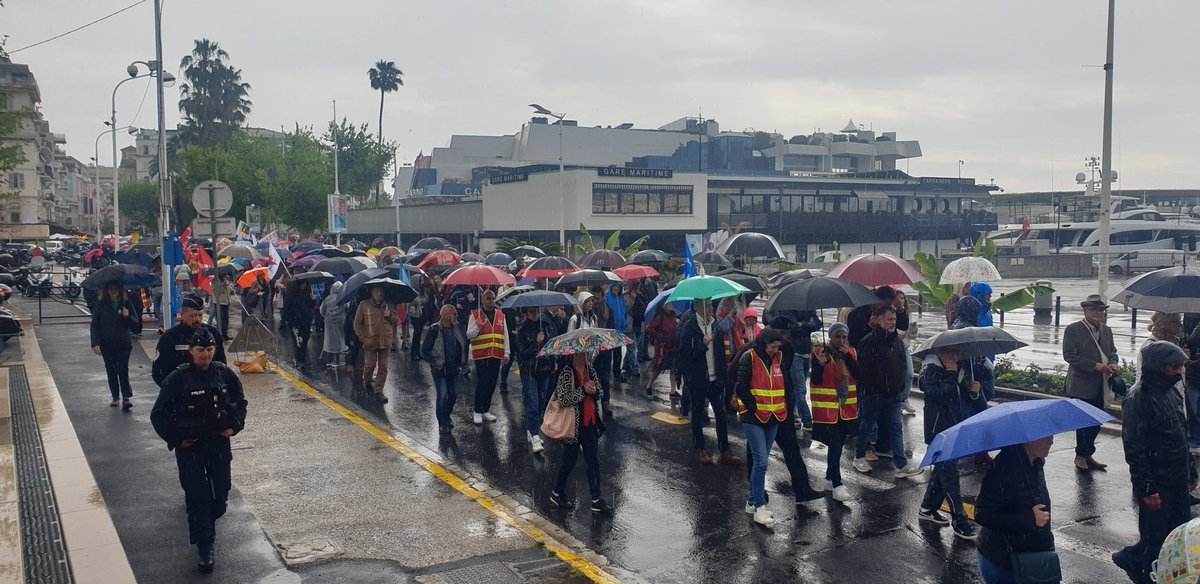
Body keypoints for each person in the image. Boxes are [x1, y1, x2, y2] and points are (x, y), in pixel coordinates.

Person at [149, 327, 247, 573]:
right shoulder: (178, 378)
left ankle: (206, 524)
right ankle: (205, 546)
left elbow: (240, 403)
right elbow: (158, 414)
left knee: (221, 495)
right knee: (197, 497)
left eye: (209, 350)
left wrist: (235, 427)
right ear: (191, 351)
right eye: (200, 350)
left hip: (218, 445)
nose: (205, 355)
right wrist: (175, 439)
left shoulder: (224, 374)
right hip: (190, 448)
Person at [1113, 341, 1195, 584]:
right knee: (1155, 539)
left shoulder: (1170, 392)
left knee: (1178, 536)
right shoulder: (1138, 398)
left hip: (1177, 478)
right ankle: (1143, 571)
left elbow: (1181, 434)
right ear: (1158, 367)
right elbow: (1134, 448)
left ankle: (1166, 573)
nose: (1179, 372)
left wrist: (1190, 471)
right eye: (1174, 367)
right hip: (1158, 482)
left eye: (1181, 366)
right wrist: (1147, 487)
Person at [916, 345, 980, 540]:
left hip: (955, 427)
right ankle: (959, 520)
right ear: (940, 353)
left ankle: (927, 508)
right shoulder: (930, 371)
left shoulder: (961, 369)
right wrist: (951, 375)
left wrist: (973, 391)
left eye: (957, 352)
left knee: (942, 471)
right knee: (950, 477)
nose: (954, 356)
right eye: (949, 352)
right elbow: (941, 395)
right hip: (938, 431)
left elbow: (964, 399)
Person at [852, 305, 923, 478]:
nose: (892, 323)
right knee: (867, 426)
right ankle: (859, 456)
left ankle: (901, 464)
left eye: (894, 320)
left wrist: (899, 387)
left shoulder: (896, 341)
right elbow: (863, 371)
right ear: (878, 320)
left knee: (896, 427)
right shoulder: (868, 342)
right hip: (873, 395)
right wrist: (873, 389)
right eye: (889, 319)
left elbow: (901, 365)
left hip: (894, 395)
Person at [974, 436, 1056, 584]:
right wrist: (1029, 519)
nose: (1051, 442)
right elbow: (983, 514)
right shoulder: (1005, 468)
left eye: (1051, 436)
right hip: (1003, 562)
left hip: (1031, 557)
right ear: (1027, 439)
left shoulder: (1035, 463)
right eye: (1045, 437)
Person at [733, 328, 790, 526]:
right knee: (760, 461)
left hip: (773, 416)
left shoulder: (777, 358)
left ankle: (751, 501)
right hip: (753, 417)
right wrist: (752, 406)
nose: (775, 350)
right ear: (764, 343)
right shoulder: (749, 357)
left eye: (777, 347)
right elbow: (740, 385)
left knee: (762, 460)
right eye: (772, 347)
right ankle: (759, 505)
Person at [549, 350, 613, 515]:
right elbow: (563, 399)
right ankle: (557, 493)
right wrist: (583, 391)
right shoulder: (566, 373)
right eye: (584, 353)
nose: (588, 355)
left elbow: (600, 391)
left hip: (590, 423)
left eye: (588, 353)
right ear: (575, 354)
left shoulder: (590, 369)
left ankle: (596, 499)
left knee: (593, 462)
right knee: (568, 462)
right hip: (573, 426)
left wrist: (594, 391)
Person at [1062, 294, 1119, 471]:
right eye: (1094, 309)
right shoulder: (1073, 329)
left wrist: (1114, 363)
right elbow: (1070, 356)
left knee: (1096, 422)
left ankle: (1088, 454)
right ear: (1085, 311)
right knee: (1083, 422)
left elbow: (1113, 352)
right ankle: (1080, 455)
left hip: (1101, 385)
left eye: (1101, 310)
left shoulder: (1107, 330)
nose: (1098, 313)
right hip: (1081, 385)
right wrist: (1094, 366)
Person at [679, 299, 739, 465]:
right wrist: (701, 344)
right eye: (708, 306)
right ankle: (699, 449)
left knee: (720, 414)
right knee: (697, 415)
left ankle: (724, 450)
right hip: (698, 379)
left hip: (715, 378)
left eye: (711, 306)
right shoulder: (689, 326)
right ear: (699, 308)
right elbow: (685, 353)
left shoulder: (715, 325)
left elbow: (720, 349)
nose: (711, 308)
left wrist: (723, 375)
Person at [810, 323, 859, 502]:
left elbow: (858, 375)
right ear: (831, 337)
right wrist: (821, 365)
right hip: (828, 409)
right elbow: (815, 379)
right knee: (836, 444)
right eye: (838, 337)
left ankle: (829, 478)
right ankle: (838, 484)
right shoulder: (819, 354)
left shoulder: (851, 353)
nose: (841, 340)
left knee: (837, 445)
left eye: (844, 337)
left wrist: (848, 358)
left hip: (846, 408)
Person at [153, 294, 227, 387]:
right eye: (192, 315)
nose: (196, 319)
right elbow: (158, 371)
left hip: (208, 387)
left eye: (200, 315)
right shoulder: (170, 337)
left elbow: (222, 364)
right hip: (180, 389)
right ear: (182, 314)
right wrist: (169, 389)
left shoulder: (213, 334)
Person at [90, 282, 143, 409]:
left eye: (116, 290)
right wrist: (94, 342)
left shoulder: (126, 303)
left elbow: (136, 326)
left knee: (122, 370)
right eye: (111, 290)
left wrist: (127, 316)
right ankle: (115, 396)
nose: (113, 292)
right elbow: (95, 324)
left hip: (123, 342)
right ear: (106, 291)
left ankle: (126, 397)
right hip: (106, 343)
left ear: (120, 291)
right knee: (111, 370)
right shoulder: (101, 305)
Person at [423, 305, 469, 434]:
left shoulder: (459, 328)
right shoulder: (434, 329)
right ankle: (442, 423)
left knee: (453, 394)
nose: (456, 316)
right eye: (453, 314)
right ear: (445, 316)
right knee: (442, 395)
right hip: (440, 368)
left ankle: (446, 415)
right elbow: (425, 350)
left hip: (454, 368)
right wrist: (433, 362)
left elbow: (464, 345)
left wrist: (463, 362)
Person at [467, 289, 509, 424]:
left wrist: (506, 352)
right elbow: (469, 335)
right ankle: (477, 410)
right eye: (488, 298)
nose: (491, 301)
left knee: (492, 383)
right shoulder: (475, 315)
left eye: (492, 298)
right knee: (482, 382)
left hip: (496, 353)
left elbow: (505, 334)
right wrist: (477, 327)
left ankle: (486, 409)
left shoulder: (501, 315)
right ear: (483, 299)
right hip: (481, 354)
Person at [516, 307, 554, 453]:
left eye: (537, 312)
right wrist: (536, 343)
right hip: (529, 370)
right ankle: (535, 436)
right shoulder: (522, 329)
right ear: (526, 313)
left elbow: (550, 346)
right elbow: (522, 352)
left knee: (541, 402)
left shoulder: (544, 326)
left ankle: (532, 429)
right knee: (532, 402)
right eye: (532, 312)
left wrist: (553, 361)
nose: (535, 315)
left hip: (544, 369)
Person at [353, 284, 396, 402]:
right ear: (372, 293)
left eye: (381, 292)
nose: (379, 294)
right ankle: (367, 381)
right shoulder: (364, 305)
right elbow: (357, 324)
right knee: (370, 365)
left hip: (385, 341)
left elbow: (396, 320)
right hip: (370, 341)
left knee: (383, 367)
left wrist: (389, 316)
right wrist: (363, 338)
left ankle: (379, 390)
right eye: (376, 292)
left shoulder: (388, 304)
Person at [788, 310, 823, 431]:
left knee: (797, 389)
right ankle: (807, 420)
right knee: (800, 389)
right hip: (795, 354)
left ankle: (795, 415)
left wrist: (803, 324)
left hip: (806, 353)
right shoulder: (790, 309)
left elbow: (818, 324)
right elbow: (792, 328)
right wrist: (808, 324)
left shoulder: (810, 310)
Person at [644, 302, 680, 399]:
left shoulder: (673, 315)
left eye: (670, 304)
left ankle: (673, 390)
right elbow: (649, 329)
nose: (669, 305)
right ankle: (649, 385)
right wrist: (659, 336)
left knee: (673, 368)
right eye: (667, 304)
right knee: (658, 368)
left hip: (673, 345)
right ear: (663, 306)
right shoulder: (659, 316)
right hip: (662, 347)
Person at [281, 279, 315, 369]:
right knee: (298, 340)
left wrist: (313, 299)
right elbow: (286, 308)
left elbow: (311, 307)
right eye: (304, 283)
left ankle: (302, 355)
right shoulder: (291, 295)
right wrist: (288, 320)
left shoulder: (306, 294)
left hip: (306, 321)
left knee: (305, 338)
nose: (305, 285)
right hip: (295, 322)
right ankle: (299, 358)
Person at [319, 281, 348, 367]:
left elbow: (322, 310)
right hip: (340, 323)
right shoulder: (343, 298)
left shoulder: (328, 298)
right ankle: (337, 361)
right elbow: (348, 308)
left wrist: (327, 317)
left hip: (328, 323)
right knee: (339, 341)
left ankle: (330, 360)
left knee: (329, 341)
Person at [408, 276, 434, 362]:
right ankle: (414, 354)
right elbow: (415, 301)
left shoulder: (422, 290)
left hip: (422, 313)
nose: (423, 282)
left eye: (423, 280)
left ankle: (418, 352)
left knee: (419, 334)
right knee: (416, 333)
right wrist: (421, 300)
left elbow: (426, 299)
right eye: (421, 281)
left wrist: (421, 300)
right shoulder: (412, 290)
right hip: (415, 314)